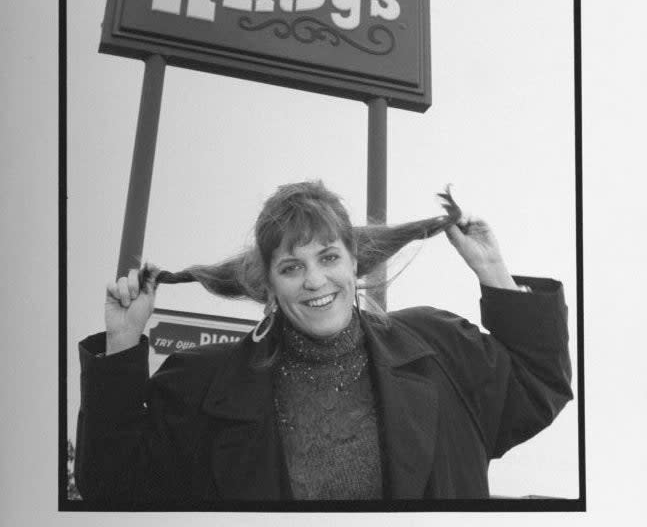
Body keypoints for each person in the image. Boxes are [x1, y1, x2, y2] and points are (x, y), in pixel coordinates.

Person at [75, 181, 572, 503]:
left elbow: (536, 388)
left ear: (355, 263)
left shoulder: (437, 348)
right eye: (292, 267)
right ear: (269, 284)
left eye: (329, 258)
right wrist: (122, 343)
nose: (315, 281)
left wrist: (492, 272)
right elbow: (113, 486)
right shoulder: (206, 384)